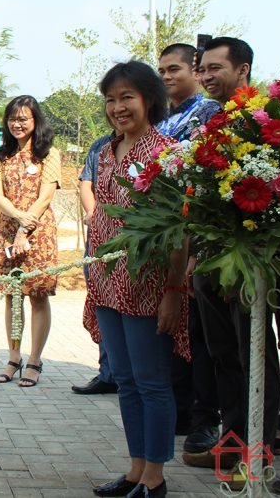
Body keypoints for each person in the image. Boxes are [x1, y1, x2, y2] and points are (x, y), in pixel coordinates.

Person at [86, 60, 189, 498]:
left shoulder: (167, 154)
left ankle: (155, 476)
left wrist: (173, 291)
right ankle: (135, 469)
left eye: (127, 97)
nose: (118, 107)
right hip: (107, 284)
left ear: (149, 99)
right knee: (125, 381)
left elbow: (180, 233)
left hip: (149, 286)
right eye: (111, 99)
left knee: (151, 382)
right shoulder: (105, 152)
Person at [185, 37, 280, 485]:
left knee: (254, 354)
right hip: (210, 262)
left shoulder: (266, 121)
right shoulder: (210, 122)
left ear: (242, 70)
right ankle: (233, 442)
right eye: (202, 68)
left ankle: (259, 453)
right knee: (222, 354)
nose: (205, 76)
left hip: (252, 265)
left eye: (215, 68)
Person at [154, 43, 222, 456]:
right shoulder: (162, 116)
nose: (166, 76)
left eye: (174, 69)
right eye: (161, 70)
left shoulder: (208, 114)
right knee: (171, 329)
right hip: (163, 235)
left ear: (194, 71)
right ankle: (178, 410)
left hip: (194, 234)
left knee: (198, 335)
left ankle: (204, 418)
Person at [0, 95, 61, 388]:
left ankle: (34, 360)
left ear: (35, 121)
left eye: (23, 119)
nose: (17, 124)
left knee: (38, 294)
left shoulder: (49, 154)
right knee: (12, 295)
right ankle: (13, 357)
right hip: (8, 230)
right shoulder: (0, 156)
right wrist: (18, 218)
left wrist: (26, 225)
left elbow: (46, 196)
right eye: (12, 119)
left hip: (39, 232)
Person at [71, 131, 119, 396]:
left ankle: (128, 373)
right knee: (101, 302)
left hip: (134, 241)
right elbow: (86, 184)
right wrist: (93, 213)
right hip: (100, 240)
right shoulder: (100, 146)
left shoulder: (155, 143)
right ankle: (108, 373)